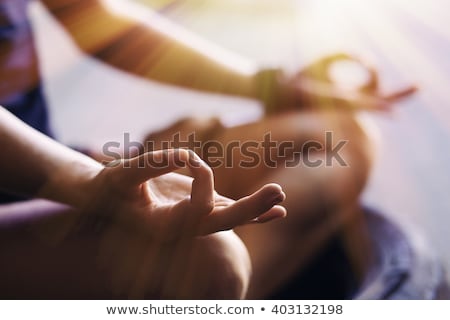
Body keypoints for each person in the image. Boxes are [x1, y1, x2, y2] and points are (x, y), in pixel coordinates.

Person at [0, 0, 415, 298]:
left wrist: (274, 87)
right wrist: (86, 182)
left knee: (338, 136)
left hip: (49, 160)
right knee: (212, 258)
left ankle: (232, 294)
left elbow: (92, 15)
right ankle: (221, 285)